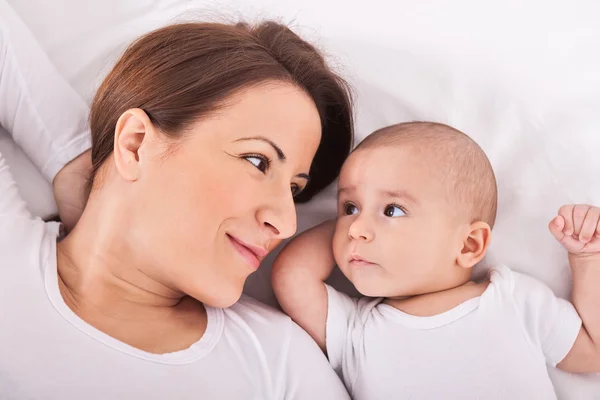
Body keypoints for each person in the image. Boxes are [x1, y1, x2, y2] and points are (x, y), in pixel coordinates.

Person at [0, 0, 354, 398]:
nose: (287, 224)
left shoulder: (278, 363)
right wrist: (73, 161)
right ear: (135, 144)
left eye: (294, 190)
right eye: (257, 161)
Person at [272, 121, 600, 399]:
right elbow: (293, 275)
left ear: (469, 244)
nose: (357, 228)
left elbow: (592, 352)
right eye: (349, 207)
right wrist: (350, 227)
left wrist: (587, 259)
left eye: (393, 210)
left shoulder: (512, 300)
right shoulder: (355, 329)